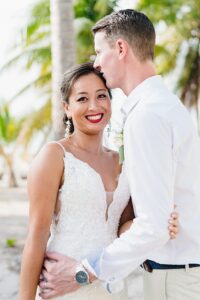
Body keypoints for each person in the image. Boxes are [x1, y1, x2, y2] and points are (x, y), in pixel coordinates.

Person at [38, 9, 200, 300]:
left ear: (121, 48)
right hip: (168, 272)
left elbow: (154, 227)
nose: (97, 63)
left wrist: (82, 272)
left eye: (100, 52)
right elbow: (154, 211)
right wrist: (149, 219)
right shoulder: (163, 106)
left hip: (169, 279)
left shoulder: (148, 115)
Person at [19, 62, 177, 300]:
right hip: (63, 285)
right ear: (67, 107)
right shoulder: (54, 156)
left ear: (110, 102)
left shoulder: (122, 161)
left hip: (110, 285)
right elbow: (36, 235)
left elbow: (124, 225)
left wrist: (161, 220)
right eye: (82, 99)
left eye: (101, 96)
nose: (94, 106)